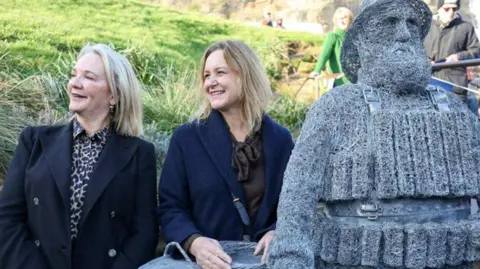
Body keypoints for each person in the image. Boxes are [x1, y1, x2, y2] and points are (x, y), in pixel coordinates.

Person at [268, 0, 480, 268]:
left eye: (411, 23)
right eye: (390, 22)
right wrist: (290, 261)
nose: (404, 33)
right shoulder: (336, 108)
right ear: (363, 38)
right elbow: (296, 202)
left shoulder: (455, 111)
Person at [0, 44, 158, 269]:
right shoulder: (34, 141)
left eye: (89, 77)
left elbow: (143, 233)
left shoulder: (140, 154)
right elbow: (8, 218)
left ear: (114, 95)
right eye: (74, 75)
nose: (74, 83)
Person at [157, 40, 294, 269]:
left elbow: (294, 204)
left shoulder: (280, 139)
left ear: (246, 75)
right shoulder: (186, 138)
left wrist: (277, 232)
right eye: (206, 75)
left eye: (220, 72)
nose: (211, 82)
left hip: (265, 264)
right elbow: (170, 207)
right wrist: (195, 242)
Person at [424, 0, 480, 102]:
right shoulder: (427, 27)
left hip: (455, 86)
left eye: (454, 9)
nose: (450, 12)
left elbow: (476, 50)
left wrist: (459, 56)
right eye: (446, 9)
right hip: (429, 83)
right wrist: (425, 60)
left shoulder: (466, 27)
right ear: (439, 9)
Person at [310, 7, 353, 87]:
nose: (342, 21)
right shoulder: (332, 36)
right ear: (335, 21)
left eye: (344, 18)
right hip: (338, 82)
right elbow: (324, 54)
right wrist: (317, 70)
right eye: (340, 18)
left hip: (354, 81)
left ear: (350, 20)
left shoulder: (353, 38)